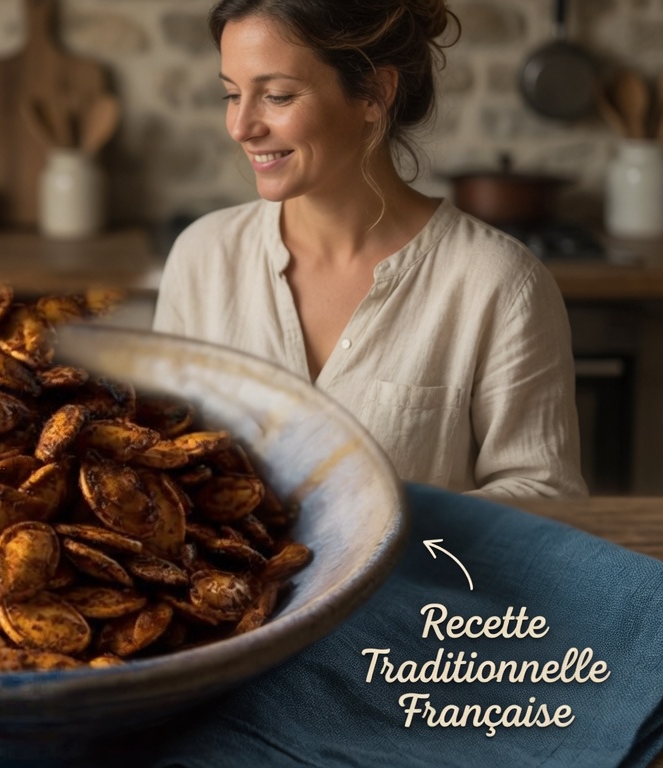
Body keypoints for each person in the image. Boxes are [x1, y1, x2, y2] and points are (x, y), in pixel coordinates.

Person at [153, 0, 586, 498]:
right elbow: (166, 458)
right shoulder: (202, 258)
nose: (241, 126)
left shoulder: (500, 283)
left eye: (276, 95)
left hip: (419, 579)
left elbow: (547, 494)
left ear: (375, 95)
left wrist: (392, 531)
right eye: (232, 94)